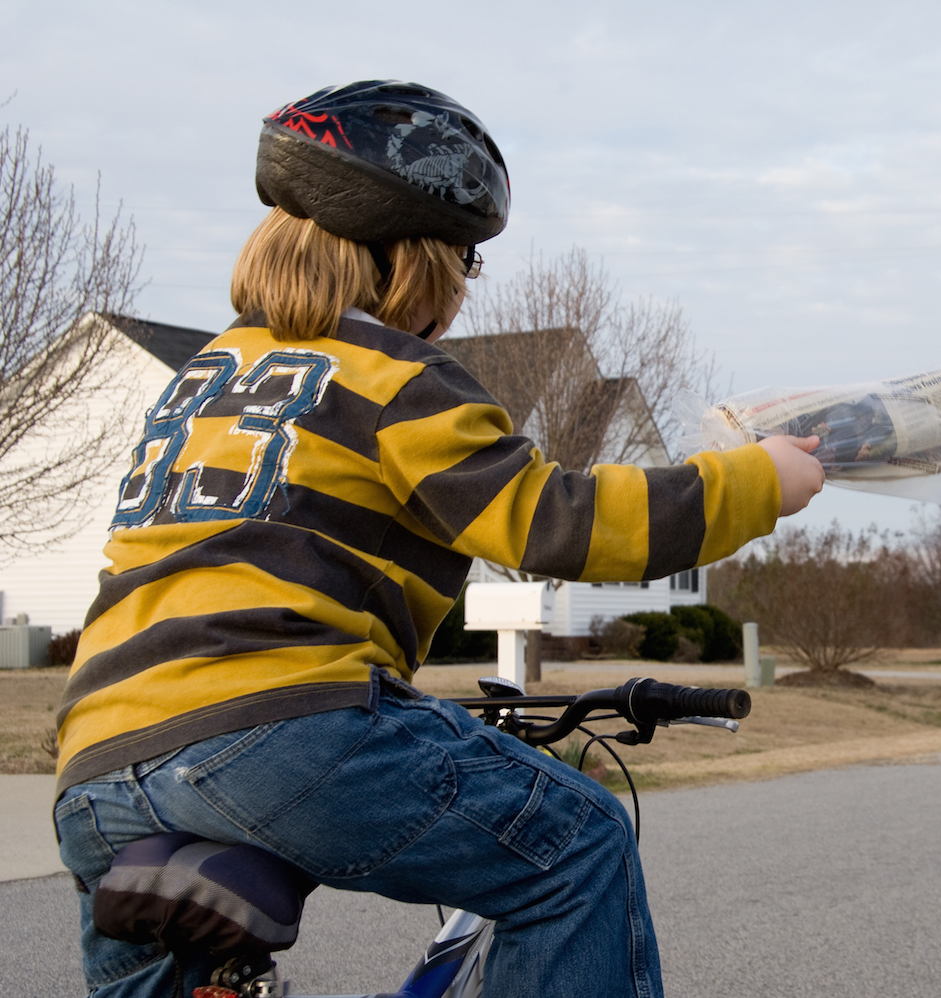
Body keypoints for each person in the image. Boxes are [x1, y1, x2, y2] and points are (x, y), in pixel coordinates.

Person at [54, 80, 825, 998]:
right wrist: (758, 481)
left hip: (95, 765)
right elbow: (556, 519)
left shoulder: (207, 378)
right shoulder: (393, 374)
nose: (462, 289)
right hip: (279, 728)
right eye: (465, 261)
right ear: (412, 258)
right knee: (576, 848)